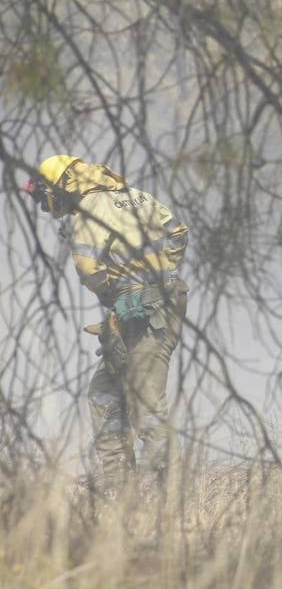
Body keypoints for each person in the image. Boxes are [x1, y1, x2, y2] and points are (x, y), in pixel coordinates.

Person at [25, 155, 189, 496]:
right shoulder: (138, 195)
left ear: (62, 185)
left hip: (145, 312)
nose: (47, 205)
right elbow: (178, 233)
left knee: (146, 401)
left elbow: (89, 270)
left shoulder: (88, 212)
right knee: (104, 393)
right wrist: (161, 276)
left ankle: (174, 498)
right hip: (149, 306)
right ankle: (120, 495)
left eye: (45, 196)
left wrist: (116, 291)